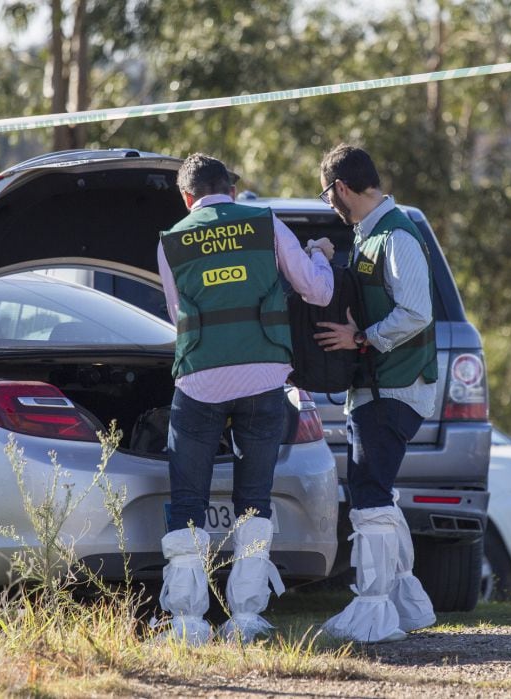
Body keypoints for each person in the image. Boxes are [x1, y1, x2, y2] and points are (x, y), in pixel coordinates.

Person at [156, 153, 335, 644]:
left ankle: (187, 621)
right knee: (254, 502)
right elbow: (317, 292)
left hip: (198, 385)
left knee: (187, 501)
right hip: (263, 382)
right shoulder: (264, 222)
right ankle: (248, 619)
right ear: (231, 190)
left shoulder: (171, 241)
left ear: (187, 198)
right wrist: (320, 253)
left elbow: (179, 317)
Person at [313, 144, 438, 643]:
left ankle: (374, 613)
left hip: (396, 388)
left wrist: (360, 338)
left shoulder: (396, 235)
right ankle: (406, 606)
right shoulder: (370, 236)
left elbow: (416, 312)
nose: (329, 205)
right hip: (376, 389)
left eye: (327, 195)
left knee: (369, 496)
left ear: (341, 188)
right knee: (377, 492)